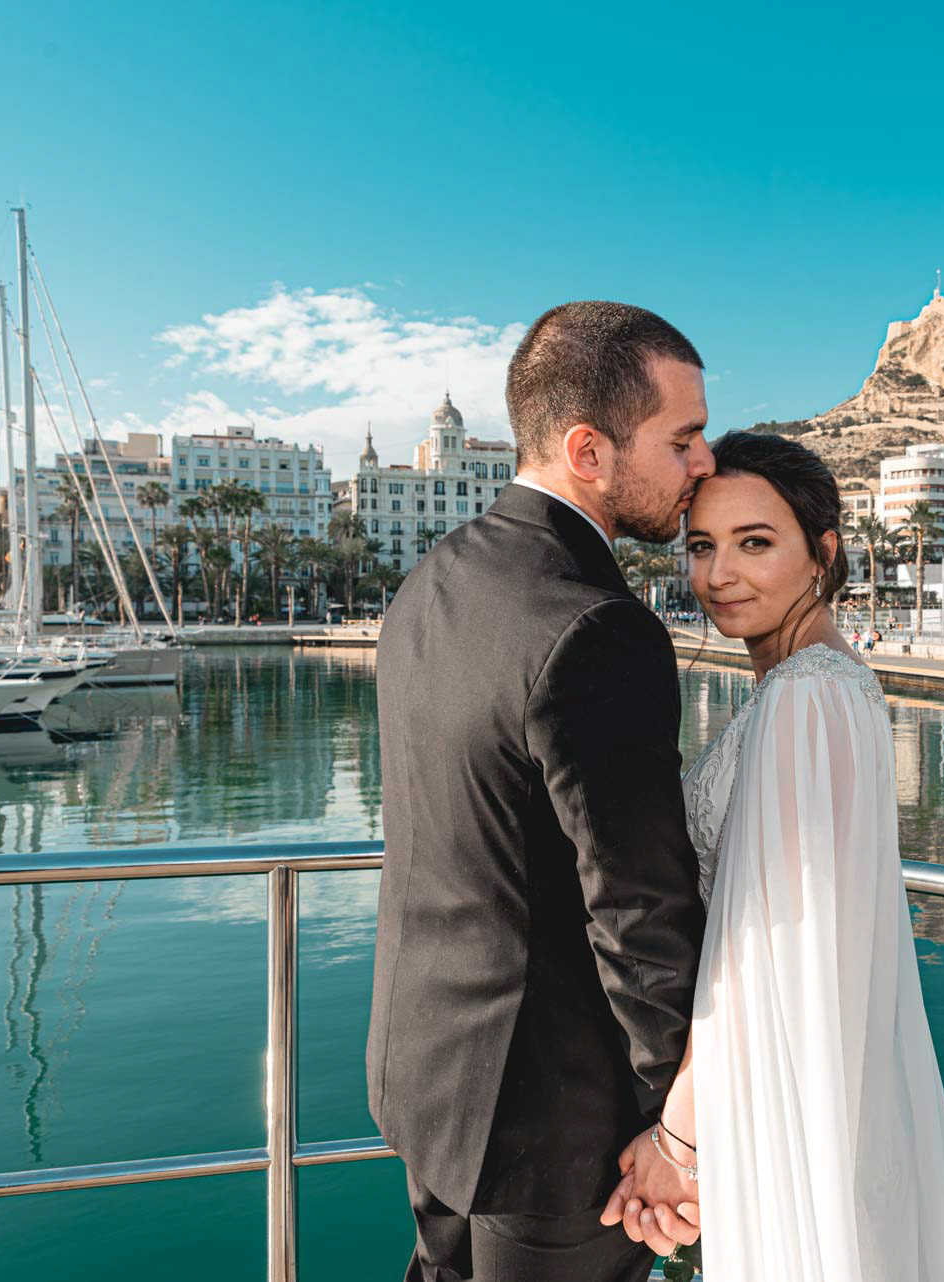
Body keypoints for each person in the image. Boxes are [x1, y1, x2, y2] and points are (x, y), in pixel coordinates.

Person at [372, 302, 711, 1281]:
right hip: (554, 1131)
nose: (699, 465)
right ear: (588, 450)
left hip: (428, 1080)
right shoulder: (597, 628)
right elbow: (637, 906)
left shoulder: (430, 583)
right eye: (680, 440)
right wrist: (673, 1128)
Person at [625, 430, 944, 1282]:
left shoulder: (803, 697)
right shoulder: (831, 682)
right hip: (807, 1066)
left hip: (774, 1078)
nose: (720, 576)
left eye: (756, 544)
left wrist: (678, 1138)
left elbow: (758, 950)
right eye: (703, 547)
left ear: (822, 552)